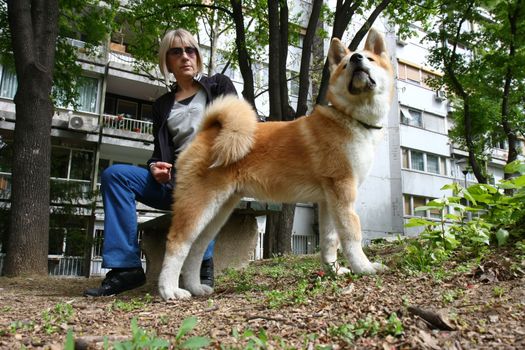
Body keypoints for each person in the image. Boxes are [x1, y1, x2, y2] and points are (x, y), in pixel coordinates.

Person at [84, 29, 238, 297]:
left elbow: (240, 129)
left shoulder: (218, 86)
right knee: (115, 175)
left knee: (205, 182)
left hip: (210, 178)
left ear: (198, 56)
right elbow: (161, 152)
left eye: (190, 50)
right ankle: (126, 269)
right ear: (167, 61)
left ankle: (201, 262)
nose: (185, 56)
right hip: (173, 184)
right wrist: (156, 167)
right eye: (176, 52)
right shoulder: (163, 105)